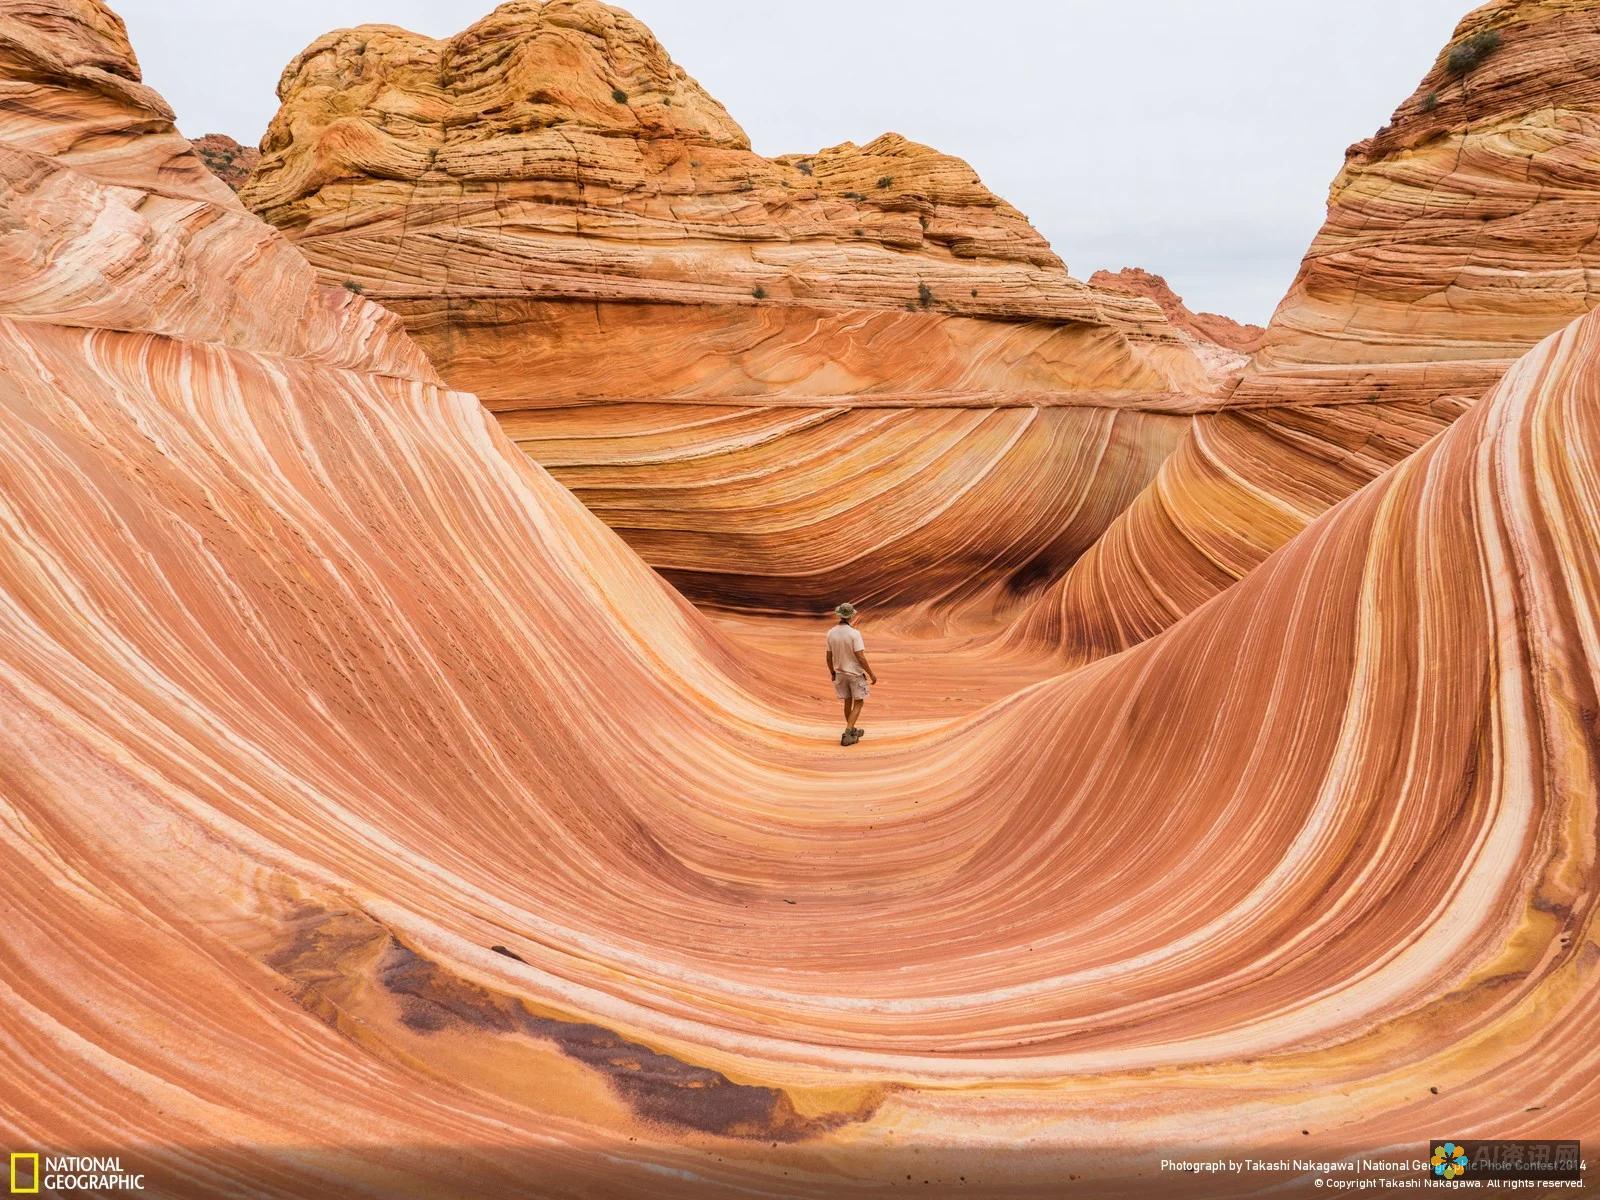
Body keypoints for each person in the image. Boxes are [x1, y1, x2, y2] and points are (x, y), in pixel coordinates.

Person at [825, 602, 878, 746]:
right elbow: (860, 656)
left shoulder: (831, 633)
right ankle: (848, 732)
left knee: (847, 702)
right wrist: (871, 674)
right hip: (854, 673)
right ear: (851, 617)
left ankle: (852, 730)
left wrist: (832, 672)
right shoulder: (854, 634)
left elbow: (829, 657)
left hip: (840, 673)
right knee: (859, 702)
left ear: (839, 615)